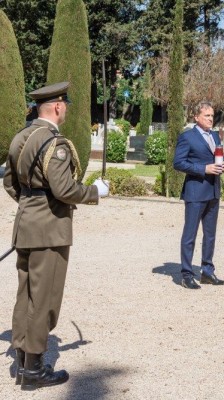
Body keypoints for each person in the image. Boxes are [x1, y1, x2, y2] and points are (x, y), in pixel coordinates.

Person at [3, 82, 104, 390]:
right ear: (58, 107)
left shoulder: (21, 137)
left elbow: (10, 183)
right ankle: (34, 371)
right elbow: (64, 190)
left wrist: (32, 205)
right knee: (44, 298)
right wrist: (95, 192)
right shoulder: (54, 143)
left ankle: (22, 362)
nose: (67, 110)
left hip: (26, 225)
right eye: (66, 106)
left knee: (26, 296)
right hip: (49, 230)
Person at [173, 101, 224, 289]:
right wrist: (204, 168)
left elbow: (217, 156)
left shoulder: (214, 135)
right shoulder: (187, 137)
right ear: (196, 117)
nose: (211, 119)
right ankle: (186, 274)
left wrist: (222, 164)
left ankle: (207, 271)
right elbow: (178, 163)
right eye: (207, 116)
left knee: (210, 235)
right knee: (190, 234)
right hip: (195, 192)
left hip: (213, 190)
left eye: (212, 115)